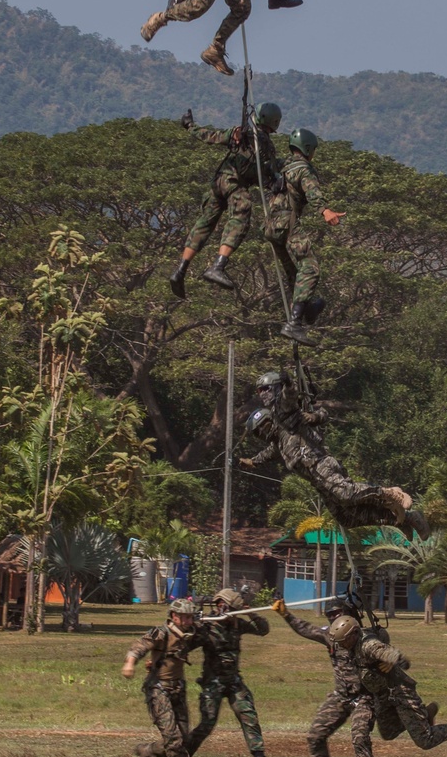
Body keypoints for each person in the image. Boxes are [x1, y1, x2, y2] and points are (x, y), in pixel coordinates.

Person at [241, 370, 428, 543]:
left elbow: (289, 396)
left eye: (264, 427)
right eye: (259, 433)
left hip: (321, 465)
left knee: (346, 493)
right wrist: (252, 462)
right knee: (346, 517)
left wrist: (288, 382)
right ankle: (404, 519)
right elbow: (268, 453)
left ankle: (391, 494)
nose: (264, 434)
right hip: (317, 480)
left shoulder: (285, 415)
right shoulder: (279, 441)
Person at [328, 614, 447, 755]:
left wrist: (391, 660)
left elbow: (400, 659)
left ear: (354, 634)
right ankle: (425, 714)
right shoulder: (353, 643)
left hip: (400, 692)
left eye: (343, 641)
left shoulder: (367, 645)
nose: (341, 645)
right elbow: (382, 634)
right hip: (383, 695)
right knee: (388, 732)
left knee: (425, 740)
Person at [170, 102, 282, 297]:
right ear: (274, 123)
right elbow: (266, 177)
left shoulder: (247, 136)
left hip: (219, 182)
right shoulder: (253, 140)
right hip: (233, 182)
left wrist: (189, 125)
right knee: (242, 212)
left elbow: (210, 136)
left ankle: (181, 270)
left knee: (205, 223)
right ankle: (218, 266)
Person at [271, 596, 380, 757]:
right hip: (341, 696)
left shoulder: (363, 636)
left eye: (337, 613)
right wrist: (286, 614)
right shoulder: (330, 635)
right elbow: (306, 629)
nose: (333, 618)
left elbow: (384, 643)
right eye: (329, 615)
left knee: (360, 735)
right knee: (315, 735)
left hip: (364, 697)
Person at [185, 588, 286, 757]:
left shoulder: (238, 624)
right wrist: (193, 626)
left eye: (230, 608)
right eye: (223, 606)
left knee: (249, 717)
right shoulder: (208, 626)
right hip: (212, 682)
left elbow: (263, 629)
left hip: (233, 681)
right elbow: (184, 644)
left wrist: (250, 613)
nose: (225, 610)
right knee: (206, 725)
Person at [263, 128, 344, 343]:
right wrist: (325, 211)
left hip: (271, 227)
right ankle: (294, 323)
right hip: (287, 224)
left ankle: (307, 309)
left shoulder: (282, 166)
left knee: (294, 274)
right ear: (308, 149)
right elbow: (312, 191)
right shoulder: (304, 169)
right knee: (310, 269)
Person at [121, 598, 205, 757]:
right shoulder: (161, 633)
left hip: (178, 688)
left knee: (183, 738)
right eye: (185, 617)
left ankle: (147, 751)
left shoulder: (191, 633)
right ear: (174, 617)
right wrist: (129, 663)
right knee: (172, 737)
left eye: (191, 617)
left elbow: (211, 630)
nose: (189, 621)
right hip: (158, 689)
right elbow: (139, 646)